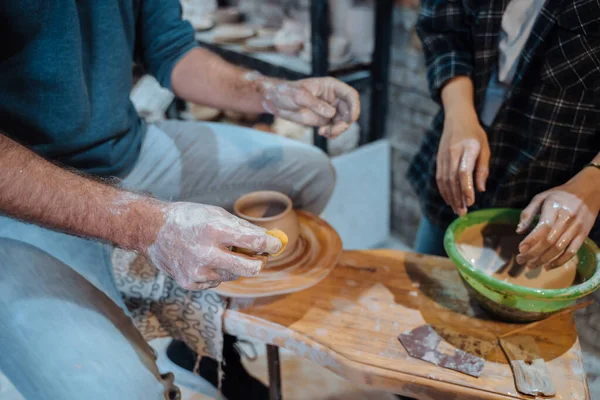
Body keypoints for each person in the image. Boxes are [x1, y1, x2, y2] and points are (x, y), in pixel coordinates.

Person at [0, 2, 359, 399]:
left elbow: (170, 48)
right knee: (124, 392)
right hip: (21, 195)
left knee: (311, 174)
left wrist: (272, 93)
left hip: (124, 148)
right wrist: (146, 226)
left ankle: (205, 349)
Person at [408, 0, 600, 267]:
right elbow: (442, 26)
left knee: (528, 298)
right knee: (427, 279)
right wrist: (459, 115)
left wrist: (594, 181)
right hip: (461, 147)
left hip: (561, 174)